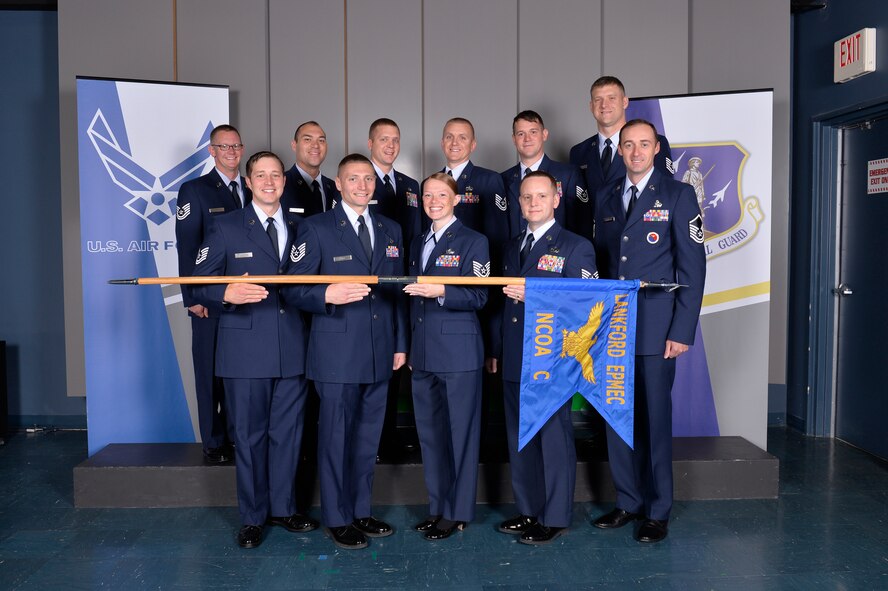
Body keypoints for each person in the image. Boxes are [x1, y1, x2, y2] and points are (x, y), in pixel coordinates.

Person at [190, 150, 318, 549]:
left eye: (275, 175)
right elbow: (196, 283)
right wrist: (224, 292)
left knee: (288, 435)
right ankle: (252, 517)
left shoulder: (303, 228)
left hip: (293, 348)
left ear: (284, 180)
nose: (269, 181)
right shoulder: (226, 227)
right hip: (244, 352)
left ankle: (284, 508)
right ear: (248, 181)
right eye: (260, 175)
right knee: (248, 436)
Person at [285, 154, 408, 550]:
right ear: (338, 184)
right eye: (353, 179)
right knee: (336, 437)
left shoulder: (391, 230)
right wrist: (326, 293)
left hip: (380, 350)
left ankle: (361, 510)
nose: (362, 185)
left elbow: (399, 293)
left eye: (368, 178)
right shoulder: (316, 228)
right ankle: (337, 518)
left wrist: (400, 344)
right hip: (336, 352)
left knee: (367, 439)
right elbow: (291, 288)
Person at [591, 119, 706, 543]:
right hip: (610, 327)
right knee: (617, 417)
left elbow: (693, 268)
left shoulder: (678, 194)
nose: (636, 152)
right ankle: (627, 501)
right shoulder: (605, 196)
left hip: (658, 327)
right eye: (628, 145)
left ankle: (657, 510)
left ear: (656, 148)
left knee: (655, 419)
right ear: (619, 151)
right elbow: (601, 264)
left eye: (644, 144)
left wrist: (682, 328)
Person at [486, 171, 598, 545]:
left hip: (553, 359)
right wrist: (498, 350)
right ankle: (528, 510)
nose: (532, 203)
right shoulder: (511, 245)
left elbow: (586, 305)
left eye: (540, 196)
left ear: (556, 198)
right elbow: (504, 309)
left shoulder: (575, 245)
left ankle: (555, 515)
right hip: (516, 355)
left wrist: (534, 296)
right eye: (526, 197)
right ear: (519, 203)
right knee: (521, 437)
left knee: (552, 438)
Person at [402, 173, 490, 541]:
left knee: (460, 436)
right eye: (427, 195)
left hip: (458, 354)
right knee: (432, 436)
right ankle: (438, 506)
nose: (434, 200)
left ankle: (457, 512)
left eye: (442, 195)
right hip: (423, 354)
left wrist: (442, 290)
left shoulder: (474, 241)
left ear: (456, 200)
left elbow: (480, 297)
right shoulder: (418, 240)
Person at [175, 124, 251, 464]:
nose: (231, 152)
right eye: (224, 147)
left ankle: (237, 436)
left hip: (245, 296)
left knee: (238, 371)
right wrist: (193, 297)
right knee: (208, 373)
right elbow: (187, 247)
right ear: (212, 151)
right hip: (210, 297)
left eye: (236, 146)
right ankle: (214, 440)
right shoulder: (196, 190)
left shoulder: (253, 187)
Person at [366, 118, 422, 457]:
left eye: (395, 139)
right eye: (383, 139)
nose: (390, 145)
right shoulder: (357, 178)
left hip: (405, 278)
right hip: (372, 284)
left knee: (397, 360)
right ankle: (372, 441)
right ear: (370, 142)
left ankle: (388, 438)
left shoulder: (411, 184)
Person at [569, 76, 672, 238]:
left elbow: (663, 193)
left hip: (638, 241)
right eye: (598, 100)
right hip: (591, 246)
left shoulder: (653, 143)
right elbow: (578, 206)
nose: (604, 105)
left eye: (612, 98)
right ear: (591, 106)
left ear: (625, 102)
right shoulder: (578, 152)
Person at [501, 110, 588, 238]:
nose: (527, 139)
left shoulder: (568, 175)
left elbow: (582, 223)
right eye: (520, 134)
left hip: (557, 254)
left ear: (544, 134)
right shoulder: (503, 179)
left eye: (533, 132)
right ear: (514, 139)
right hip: (514, 254)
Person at [439, 117, 509, 250]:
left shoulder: (489, 180)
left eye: (462, 138)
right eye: (449, 137)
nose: (455, 143)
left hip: (473, 262)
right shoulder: (431, 182)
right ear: (442, 143)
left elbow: (498, 234)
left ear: (473, 145)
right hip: (437, 264)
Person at [280, 121, 338, 217]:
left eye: (321, 140)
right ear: (294, 145)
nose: (315, 145)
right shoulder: (280, 185)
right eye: (307, 139)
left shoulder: (335, 188)